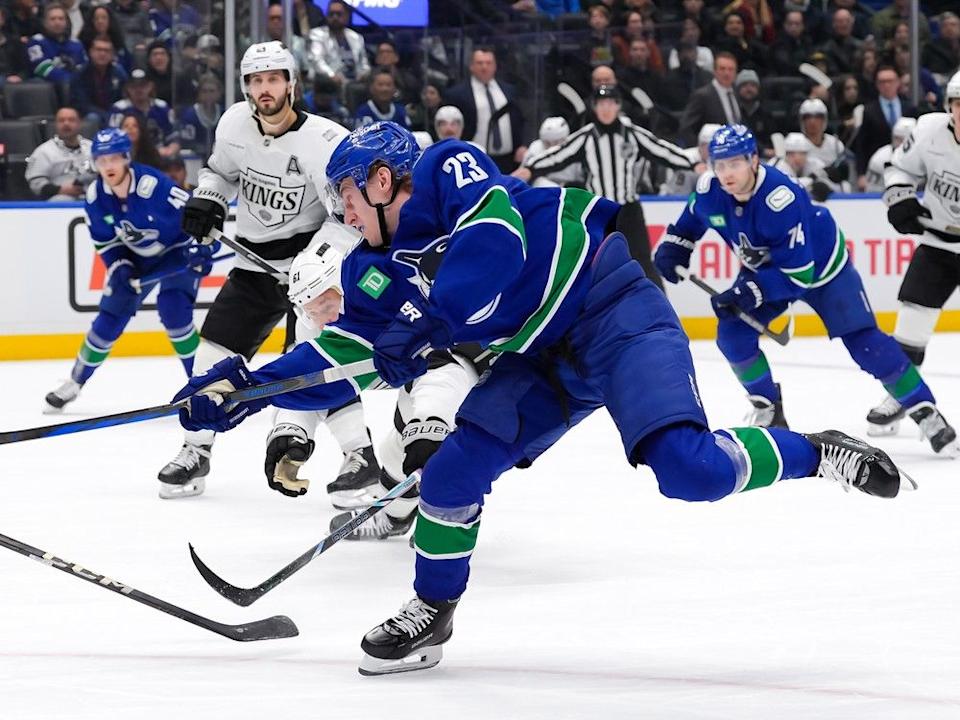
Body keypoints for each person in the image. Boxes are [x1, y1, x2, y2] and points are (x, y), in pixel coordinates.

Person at [172, 120, 912, 675]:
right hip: (540, 356)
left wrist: (428, 327)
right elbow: (343, 353)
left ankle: (818, 452)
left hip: (612, 308)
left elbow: (496, 244)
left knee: (690, 472)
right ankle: (433, 609)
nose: (341, 208)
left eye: (346, 190)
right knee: (454, 471)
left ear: (383, 177)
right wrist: (242, 388)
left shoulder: (443, 169)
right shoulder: (373, 268)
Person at [154, 40, 378, 502]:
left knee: (315, 365)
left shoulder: (325, 141)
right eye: (256, 80)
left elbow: (346, 217)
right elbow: (220, 172)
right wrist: (208, 198)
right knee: (212, 352)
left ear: (292, 84)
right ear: (245, 87)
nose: (265, 89)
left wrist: (315, 266)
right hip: (253, 263)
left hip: (311, 266)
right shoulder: (234, 122)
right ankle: (196, 450)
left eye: (274, 78)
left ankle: (360, 455)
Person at [653, 124, 956, 455]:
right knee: (732, 334)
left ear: (754, 160)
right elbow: (689, 223)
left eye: (735, 163)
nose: (726, 173)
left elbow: (798, 276)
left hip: (825, 271)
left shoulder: (781, 198)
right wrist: (676, 247)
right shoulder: (710, 189)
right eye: (720, 164)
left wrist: (745, 292)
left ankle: (925, 411)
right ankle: (768, 407)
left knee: (865, 344)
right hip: (768, 269)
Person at [271, 237, 485, 532]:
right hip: (425, 372)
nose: (322, 320)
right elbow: (308, 382)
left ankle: (446, 522)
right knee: (395, 452)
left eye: (325, 304)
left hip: (469, 363)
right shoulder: (317, 328)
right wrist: (291, 431)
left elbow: (442, 364)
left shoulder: (387, 294)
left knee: (448, 446)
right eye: (311, 312)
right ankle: (395, 518)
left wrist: (430, 420)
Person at [43, 128, 212, 413]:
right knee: (109, 318)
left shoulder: (154, 185)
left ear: (126, 158)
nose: (108, 166)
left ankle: (201, 387)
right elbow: (105, 240)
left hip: (176, 252)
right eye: (101, 160)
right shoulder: (96, 196)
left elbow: (194, 214)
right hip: (137, 259)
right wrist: (119, 265)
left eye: (113, 159)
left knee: (174, 313)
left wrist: (202, 246)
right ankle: (74, 381)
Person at [515, 84, 695, 287]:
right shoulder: (585, 137)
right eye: (601, 104)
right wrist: (530, 168)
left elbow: (662, 150)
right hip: (599, 212)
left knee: (643, 263)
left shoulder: (632, 134)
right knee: (593, 265)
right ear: (594, 107)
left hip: (629, 212)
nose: (606, 108)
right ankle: (592, 314)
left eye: (610, 103)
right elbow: (557, 156)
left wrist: (693, 163)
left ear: (618, 106)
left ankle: (659, 313)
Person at [866, 74, 960, 437]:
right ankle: (899, 396)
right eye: (959, 104)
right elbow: (900, 168)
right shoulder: (928, 130)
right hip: (937, 242)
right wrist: (900, 199)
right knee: (911, 323)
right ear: (949, 106)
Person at [442, 47, 527, 173]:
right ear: (471, 66)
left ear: (495, 66)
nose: (484, 67)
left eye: (488, 63)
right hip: (474, 159)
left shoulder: (509, 91)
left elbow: (520, 120)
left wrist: (522, 145)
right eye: (480, 63)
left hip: (508, 159)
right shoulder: (457, 94)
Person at [854, 66, 917, 191]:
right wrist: (861, 174)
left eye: (890, 81)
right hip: (878, 169)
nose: (887, 85)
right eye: (882, 82)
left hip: (907, 167)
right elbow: (861, 145)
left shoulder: (909, 108)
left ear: (898, 82)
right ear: (877, 85)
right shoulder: (869, 110)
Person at [25, 105, 95, 200]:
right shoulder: (43, 151)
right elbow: (36, 183)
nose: (66, 123)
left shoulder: (92, 148)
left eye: (71, 120)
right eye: (61, 120)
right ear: (55, 125)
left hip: (92, 195)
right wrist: (59, 189)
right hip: (60, 198)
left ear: (80, 123)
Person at [108, 69, 180, 158]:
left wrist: (171, 149)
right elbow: (113, 138)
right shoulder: (119, 109)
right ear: (127, 88)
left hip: (161, 156)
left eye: (143, 85)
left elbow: (173, 135)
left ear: (151, 86)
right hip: (130, 155)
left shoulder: (162, 108)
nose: (138, 90)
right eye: (134, 86)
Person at [678, 52, 740, 146]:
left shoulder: (736, 92)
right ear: (714, 71)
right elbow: (686, 128)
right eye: (722, 69)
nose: (727, 73)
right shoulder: (702, 96)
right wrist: (701, 151)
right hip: (712, 152)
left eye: (731, 69)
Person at [307, 0, 370, 89]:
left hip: (354, 83)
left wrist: (363, 74)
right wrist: (332, 75)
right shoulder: (317, 34)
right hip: (328, 82)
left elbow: (364, 63)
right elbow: (317, 61)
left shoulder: (356, 37)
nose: (335, 17)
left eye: (339, 14)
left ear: (347, 16)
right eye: (331, 14)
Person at [26, 3, 86, 91]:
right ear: (45, 22)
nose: (57, 22)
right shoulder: (36, 41)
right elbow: (41, 68)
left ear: (66, 22)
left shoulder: (76, 44)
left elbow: (83, 68)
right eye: (52, 19)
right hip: (46, 89)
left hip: (73, 89)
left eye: (61, 19)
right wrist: (68, 80)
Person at [71, 35, 128, 124]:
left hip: (115, 114)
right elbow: (82, 105)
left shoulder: (119, 73)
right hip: (88, 115)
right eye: (98, 50)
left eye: (106, 51)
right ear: (91, 52)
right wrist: (106, 116)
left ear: (112, 54)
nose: (102, 54)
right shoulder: (80, 74)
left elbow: (124, 98)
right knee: (93, 118)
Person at [768, 132, 837, 202]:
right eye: (791, 153)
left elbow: (835, 185)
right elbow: (787, 186)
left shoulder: (810, 162)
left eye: (803, 153)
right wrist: (812, 179)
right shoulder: (777, 165)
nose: (798, 157)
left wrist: (825, 173)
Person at [523, 116, 581, 188]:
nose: (552, 147)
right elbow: (524, 174)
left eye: (556, 142)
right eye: (547, 143)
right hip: (540, 191)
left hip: (568, 192)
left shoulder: (575, 149)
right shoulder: (535, 147)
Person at [660, 122, 718, 195]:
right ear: (701, 145)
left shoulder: (722, 159)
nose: (714, 150)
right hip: (677, 197)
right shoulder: (685, 157)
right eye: (710, 146)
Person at [177, 72, 223, 157]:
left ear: (219, 93)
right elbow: (185, 142)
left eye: (212, 91)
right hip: (195, 160)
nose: (208, 95)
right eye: (204, 91)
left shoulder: (223, 113)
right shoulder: (189, 115)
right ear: (199, 93)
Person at [864, 116, 915, 193]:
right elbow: (871, 190)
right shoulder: (880, 158)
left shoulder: (923, 158)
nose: (898, 143)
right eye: (896, 138)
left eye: (902, 140)